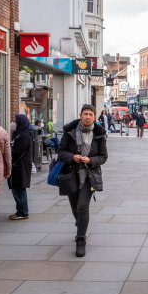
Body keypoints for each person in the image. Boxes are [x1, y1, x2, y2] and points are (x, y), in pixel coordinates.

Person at [58, 104, 108, 257]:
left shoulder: (99, 134)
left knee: (82, 206)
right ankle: (80, 224)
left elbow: (103, 157)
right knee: (74, 207)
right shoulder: (70, 132)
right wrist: (72, 157)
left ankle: (81, 240)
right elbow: (60, 152)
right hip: (71, 174)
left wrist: (90, 160)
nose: (87, 117)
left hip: (89, 176)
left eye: (90, 114)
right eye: (85, 114)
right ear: (80, 115)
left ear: (94, 117)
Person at [9, 114, 32, 220]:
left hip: (20, 166)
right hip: (17, 165)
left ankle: (22, 212)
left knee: (19, 188)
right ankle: (21, 210)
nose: (13, 123)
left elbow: (18, 151)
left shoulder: (25, 135)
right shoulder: (19, 134)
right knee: (16, 188)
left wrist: (9, 149)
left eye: (16, 122)